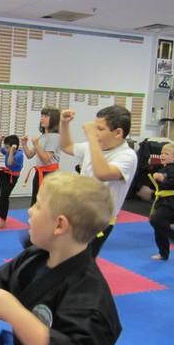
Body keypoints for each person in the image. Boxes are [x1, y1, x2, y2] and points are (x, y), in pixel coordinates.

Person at [0, 172, 121, 345]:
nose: (29, 211)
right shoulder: (35, 256)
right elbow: (4, 280)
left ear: (59, 225)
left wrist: (15, 313)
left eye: (37, 205)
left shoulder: (91, 298)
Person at [59, 105, 138, 257]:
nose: (95, 133)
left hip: (99, 221)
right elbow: (66, 146)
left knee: (82, 262)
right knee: (65, 257)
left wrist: (92, 139)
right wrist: (64, 123)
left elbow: (102, 173)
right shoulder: (93, 147)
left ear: (118, 132)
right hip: (79, 212)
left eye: (100, 129)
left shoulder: (127, 156)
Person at [148, 144, 174, 260]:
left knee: (156, 220)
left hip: (170, 202)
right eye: (162, 153)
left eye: (166, 154)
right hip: (162, 201)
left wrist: (163, 178)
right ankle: (164, 253)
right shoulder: (163, 168)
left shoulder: (172, 170)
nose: (162, 155)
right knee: (158, 228)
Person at [21, 107, 61, 206]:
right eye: (42, 116)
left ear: (54, 119)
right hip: (39, 173)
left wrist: (36, 144)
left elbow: (46, 159)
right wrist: (24, 144)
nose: (42, 118)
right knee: (35, 203)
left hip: (50, 175)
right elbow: (30, 155)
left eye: (46, 116)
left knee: (45, 205)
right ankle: (34, 221)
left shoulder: (54, 137)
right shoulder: (42, 136)